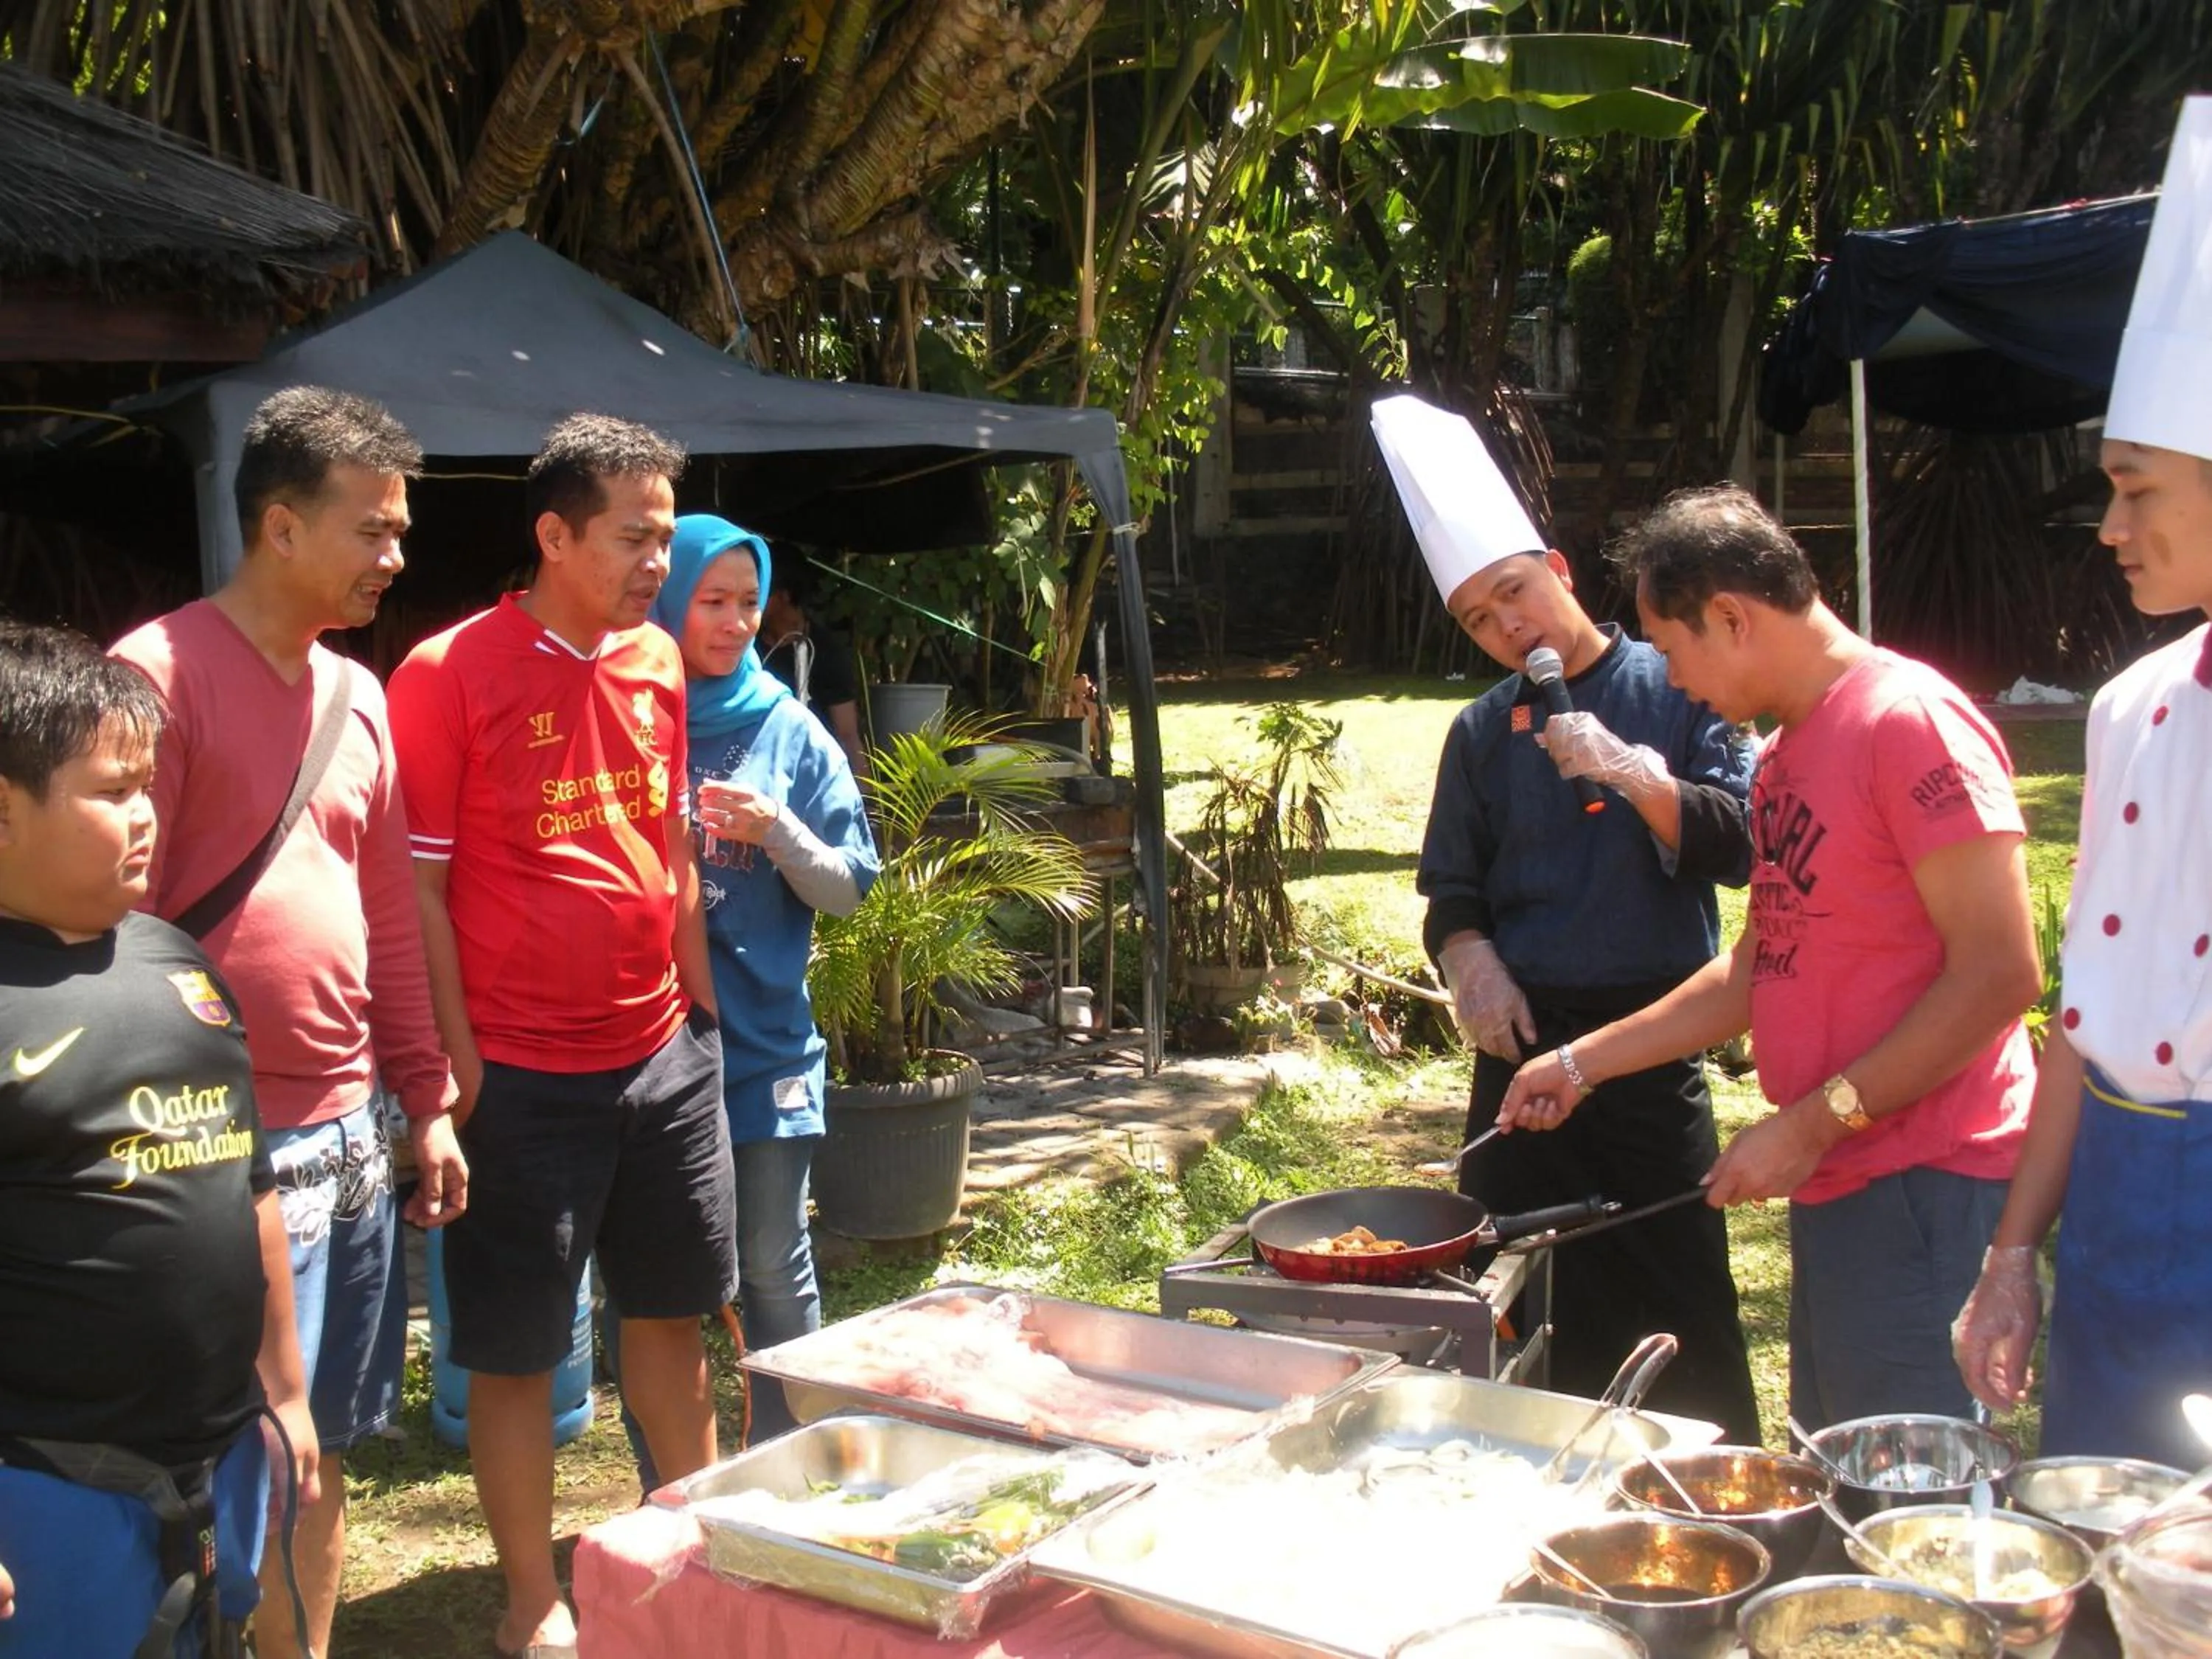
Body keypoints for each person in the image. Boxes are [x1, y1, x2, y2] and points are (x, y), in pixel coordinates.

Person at [1500, 485, 2042, 1431]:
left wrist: (1811, 1126)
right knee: (1841, 1465)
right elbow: (1760, 966)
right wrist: (1579, 1063)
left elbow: (2001, 974)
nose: (1669, 681)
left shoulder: (1908, 721)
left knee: (1913, 1506)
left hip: (1926, 1178)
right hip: (1845, 1173)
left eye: (1672, 650)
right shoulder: (1791, 752)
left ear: (1731, 618)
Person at [112, 386, 467, 1659]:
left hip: (350, 1133)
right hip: (208, 1149)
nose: (396, 555)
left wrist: (423, 1099)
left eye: (399, 528)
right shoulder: (152, 681)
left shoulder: (357, 698)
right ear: (278, 525)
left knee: (326, 1448)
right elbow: (109, 925)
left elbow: (386, 920)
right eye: (373, 529)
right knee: (230, 1451)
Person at [387, 414, 739, 1659]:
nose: (660, 561)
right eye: (636, 537)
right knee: (520, 1349)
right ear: (554, 533)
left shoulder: (653, 662)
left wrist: (700, 1016)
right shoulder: (444, 676)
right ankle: (532, 1597)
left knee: (670, 1319)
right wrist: (455, 1058)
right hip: (522, 1074)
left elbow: (672, 848)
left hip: (662, 1056)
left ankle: (685, 1565)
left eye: (665, 535)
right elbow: (420, 886)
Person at [1374, 394, 1762, 1442]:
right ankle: (1523, 1485)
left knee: (1681, 1296)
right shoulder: (1478, 733)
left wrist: (1637, 774)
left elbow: (1741, 845)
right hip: (1523, 1042)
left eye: (1515, 594)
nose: (1510, 628)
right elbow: (1452, 891)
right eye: (1479, 619)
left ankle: (1710, 1497)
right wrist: (1472, 966)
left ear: (1556, 566)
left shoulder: (1677, 685)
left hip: (1650, 1034)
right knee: (1514, 1294)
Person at [1952, 96, 2212, 1471]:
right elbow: (2082, 1020)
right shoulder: (2129, 712)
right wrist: (2011, 1255)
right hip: (2119, 1211)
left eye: (2137, 489)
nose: (2108, 527)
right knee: (2112, 1564)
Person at [0, 622, 317, 1657]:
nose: (145, 817)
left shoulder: (178, 961)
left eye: (148, 786)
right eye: (110, 791)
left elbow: (249, 1184)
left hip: (218, 1453)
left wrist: (285, 1392)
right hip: (49, 1479)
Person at [615, 515, 878, 1456]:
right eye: (712, 601)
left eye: (748, 603)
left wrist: (779, 831)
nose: (733, 623)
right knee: (654, 1288)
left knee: (770, 1262)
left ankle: (789, 1464)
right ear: (671, 600)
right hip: (645, 1055)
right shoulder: (624, 717)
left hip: (763, 1044)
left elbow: (848, 889)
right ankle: (670, 1481)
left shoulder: (789, 731)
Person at [759, 558, 871, 780]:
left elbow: (847, 733)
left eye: (760, 589)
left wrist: (870, 806)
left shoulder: (827, 651)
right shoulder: (741, 644)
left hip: (813, 773)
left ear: (785, 596)